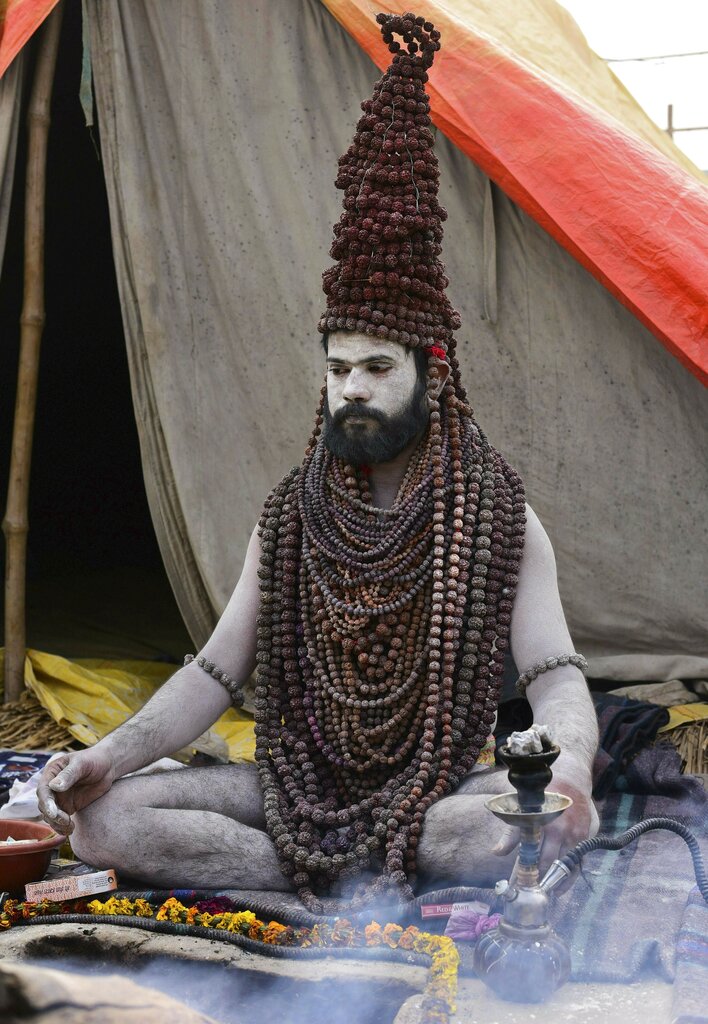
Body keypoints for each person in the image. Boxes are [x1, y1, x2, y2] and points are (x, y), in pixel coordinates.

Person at [38, 12, 598, 912]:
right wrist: (108, 755)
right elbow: (215, 675)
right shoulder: (295, 513)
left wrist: (568, 769)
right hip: (289, 790)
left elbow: (554, 677)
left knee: (520, 820)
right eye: (338, 369)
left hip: (431, 797)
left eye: (378, 369)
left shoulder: (496, 515)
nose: (352, 391)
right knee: (107, 822)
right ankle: (348, 879)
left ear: (431, 372)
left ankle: (326, 876)